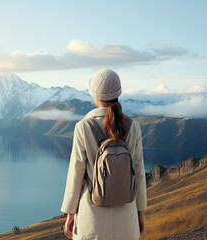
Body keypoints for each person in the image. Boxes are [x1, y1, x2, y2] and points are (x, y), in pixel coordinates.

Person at [61, 69, 147, 240]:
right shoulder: (133, 126)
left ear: (94, 95)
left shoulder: (83, 127)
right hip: (126, 215)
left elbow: (76, 173)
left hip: (92, 218)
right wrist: (140, 211)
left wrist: (70, 213)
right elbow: (139, 172)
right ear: (119, 93)